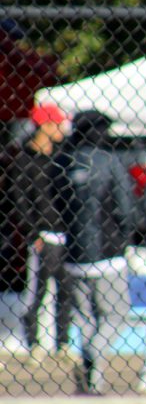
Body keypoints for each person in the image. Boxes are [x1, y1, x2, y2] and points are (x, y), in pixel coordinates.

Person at [52, 110, 136, 394]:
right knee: (117, 314)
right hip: (108, 251)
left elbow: (56, 202)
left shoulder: (62, 162)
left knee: (85, 317)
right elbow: (125, 208)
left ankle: (93, 380)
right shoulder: (110, 161)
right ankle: (93, 355)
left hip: (74, 251)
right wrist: (126, 237)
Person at [12, 103, 74, 361]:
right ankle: (33, 342)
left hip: (65, 233)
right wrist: (32, 234)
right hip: (42, 235)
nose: (62, 129)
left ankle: (63, 343)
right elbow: (20, 201)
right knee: (37, 292)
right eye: (58, 124)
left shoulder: (62, 157)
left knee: (66, 290)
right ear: (45, 126)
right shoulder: (25, 160)